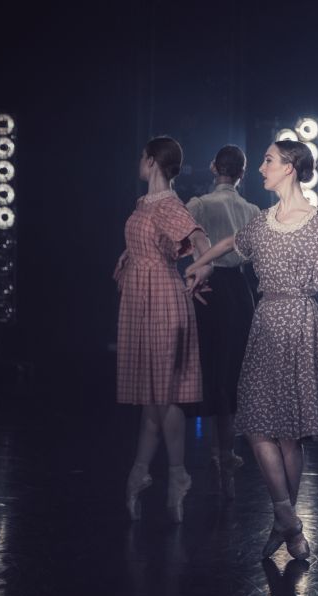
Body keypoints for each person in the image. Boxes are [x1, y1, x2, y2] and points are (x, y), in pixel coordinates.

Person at [185, 140, 318, 561]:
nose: (261, 167)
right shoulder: (263, 221)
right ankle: (287, 518)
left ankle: (285, 520)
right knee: (256, 423)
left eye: (268, 160)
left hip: (302, 325)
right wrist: (198, 264)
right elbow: (231, 242)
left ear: (289, 167)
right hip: (265, 322)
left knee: (289, 433)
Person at [113, 136, 213, 523]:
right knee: (150, 395)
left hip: (161, 300)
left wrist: (202, 267)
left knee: (164, 396)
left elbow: (200, 240)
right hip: (141, 299)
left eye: (143, 156)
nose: (139, 161)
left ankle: (175, 474)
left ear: (152, 160)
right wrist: (131, 256)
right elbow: (149, 243)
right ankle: (142, 474)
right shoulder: (146, 203)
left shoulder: (169, 204)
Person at [185, 145, 259, 499]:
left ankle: (210, 455)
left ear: (214, 167)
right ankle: (224, 452)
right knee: (232, 369)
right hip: (239, 290)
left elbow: (183, 242)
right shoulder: (252, 210)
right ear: (242, 173)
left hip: (208, 288)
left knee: (208, 365)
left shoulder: (199, 204)